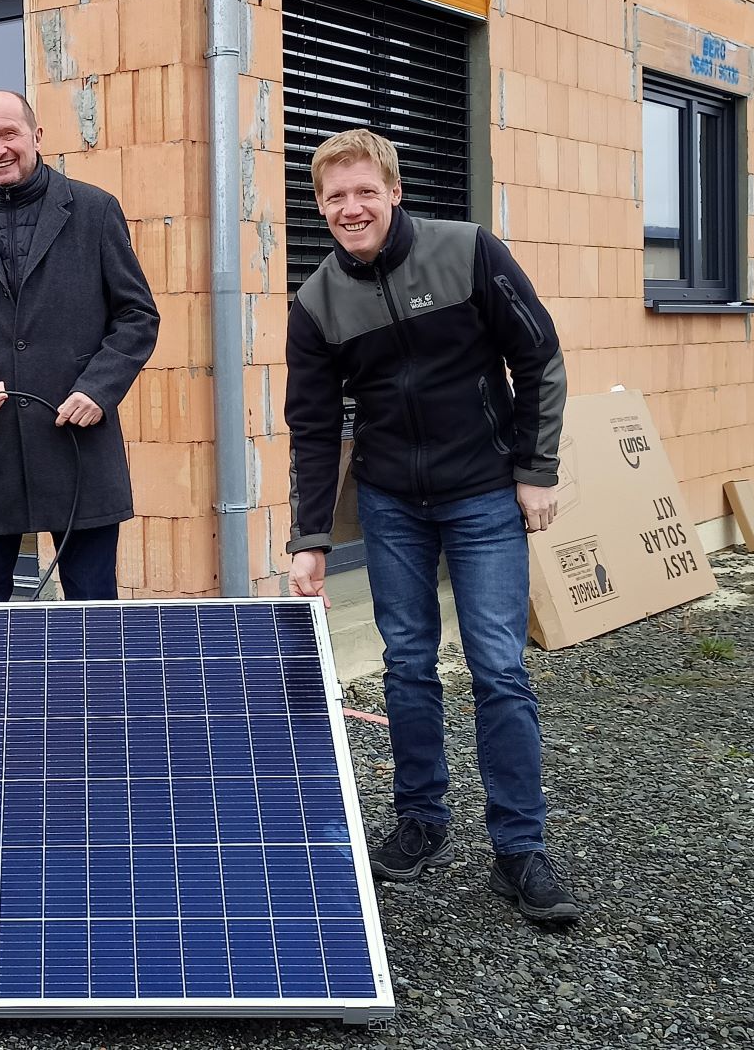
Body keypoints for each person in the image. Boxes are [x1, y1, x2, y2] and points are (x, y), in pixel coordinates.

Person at [283, 127, 579, 925]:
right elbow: (313, 427)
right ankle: (421, 822)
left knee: (498, 667)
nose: (351, 208)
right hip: (390, 503)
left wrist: (536, 468)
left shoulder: (469, 251)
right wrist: (310, 538)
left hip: (483, 492)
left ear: (395, 191)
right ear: (321, 206)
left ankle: (520, 849)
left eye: (365, 192)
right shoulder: (315, 304)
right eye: (335, 197)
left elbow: (539, 356)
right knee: (408, 664)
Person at [0, 90, 159, 602]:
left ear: (37, 136)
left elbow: (137, 316)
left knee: (92, 618)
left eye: (10, 134)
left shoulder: (94, 211)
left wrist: (98, 389)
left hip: (78, 448)